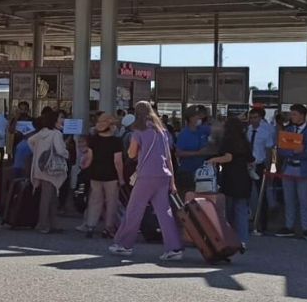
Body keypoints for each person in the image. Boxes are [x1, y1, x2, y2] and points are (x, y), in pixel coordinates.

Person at [109, 101, 183, 261]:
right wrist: (173, 181)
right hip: (163, 175)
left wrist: (130, 151)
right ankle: (173, 247)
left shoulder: (138, 131)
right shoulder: (161, 131)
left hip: (146, 176)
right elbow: (169, 156)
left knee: (134, 210)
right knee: (165, 212)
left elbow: (131, 153)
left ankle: (124, 244)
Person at [207, 117, 253, 252]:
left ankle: (230, 238)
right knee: (241, 210)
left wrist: (213, 160)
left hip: (230, 177)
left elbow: (228, 157)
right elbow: (251, 159)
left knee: (229, 211)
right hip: (243, 177)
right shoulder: (245, 141)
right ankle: (242, 240)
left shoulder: (228, 140)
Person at [275, 104, 307, 241]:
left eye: (294, 114)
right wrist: (294, 151)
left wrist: (293, 152)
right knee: (289, 199)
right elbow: (281, 150)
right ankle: (289, 226)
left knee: (304, 200)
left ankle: (306, 228)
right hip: (288, 167)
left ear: (302, 115)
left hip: (303, 169)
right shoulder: (288, 129)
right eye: (292, 114)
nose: (292, 117)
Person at [81, 113, 124, 238]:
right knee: (111, 202)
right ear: (110, 127)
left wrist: (84, 168)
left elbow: (88, 157)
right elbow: (118, 161)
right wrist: (121, 178)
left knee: (94, 200)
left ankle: (90, 225)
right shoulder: (116, 142)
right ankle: (108, 228)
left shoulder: (93, 140)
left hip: (95, 174)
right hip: (111, 176)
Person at [29, 110, 69, 234]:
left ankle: (49, 224)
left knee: (48, 197)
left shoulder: (42, 133)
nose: (63, 120)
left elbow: (30, 141)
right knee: (49, 198)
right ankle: (44, 224)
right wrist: (67, 153)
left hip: (41, 167)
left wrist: (38, 153)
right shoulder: (56, 134)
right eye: (61, 117)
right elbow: (60, 150)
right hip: (52, 168)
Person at [247, 107, 276, 235]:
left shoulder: (266, 132)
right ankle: (250, 217)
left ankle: (263, 223)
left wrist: (270, 167)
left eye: (255, 117)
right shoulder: (248, 130)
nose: (253, 120)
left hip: (259, 164)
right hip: (248, 164)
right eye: (251, 117)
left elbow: (270, 151)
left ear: (260, 118)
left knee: (261, 195)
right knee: (246, 193)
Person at [174, 108, 211, 193]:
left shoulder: (202, 129)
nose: (200, 118)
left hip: (203, 172)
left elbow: (216, 130)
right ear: (191, 118)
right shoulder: (184, 134)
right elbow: (178, 153)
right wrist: (198, 153)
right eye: (197, 116)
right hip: (188, 172)